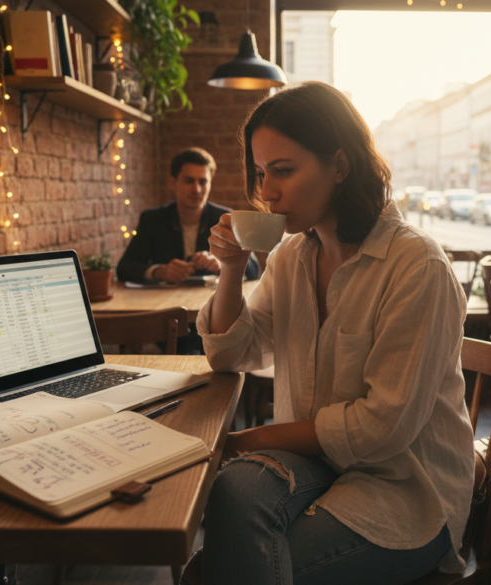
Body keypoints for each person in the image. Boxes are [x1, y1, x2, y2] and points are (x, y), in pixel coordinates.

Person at [186, 82, 475, 585]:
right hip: (316, 466)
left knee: (212, 572)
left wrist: (245, 440)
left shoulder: (416, 265)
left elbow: (382, 427)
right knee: (232, 492)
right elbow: (231, 355)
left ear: (340, 166)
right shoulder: (291, 257)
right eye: (260, 173)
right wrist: (231, 269)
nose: (267, 192)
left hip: (405, 489)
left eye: (284, 170)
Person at [116, 147, 260, 284]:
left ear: (210, 184)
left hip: (212, 302)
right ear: (173, 183)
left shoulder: (225, 218)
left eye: (203, 182)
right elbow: (124, 268)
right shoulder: (153, 219)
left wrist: (224, 265)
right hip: (166, 302)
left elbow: (254, 270)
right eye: (189, 181)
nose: (196, 189)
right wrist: (159, 272)